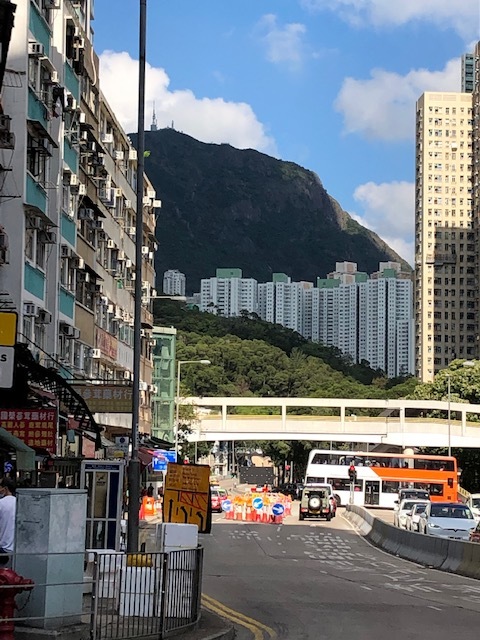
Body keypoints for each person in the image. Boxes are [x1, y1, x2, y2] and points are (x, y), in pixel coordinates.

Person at [0, 477, 16, 566]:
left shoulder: (1, 503)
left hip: (3, 548)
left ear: (5, 488)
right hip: (16, 549)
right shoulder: (19, 502)